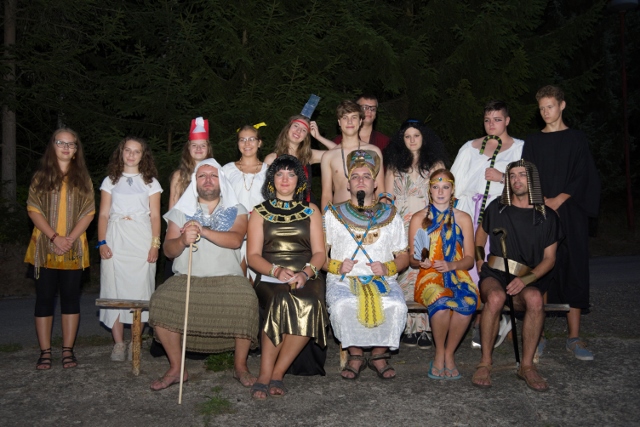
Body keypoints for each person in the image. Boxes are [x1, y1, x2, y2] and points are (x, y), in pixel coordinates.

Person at [148, 158, 259, 391]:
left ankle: (240, 366)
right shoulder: (180, 211)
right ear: (195, 182)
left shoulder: (237, 209)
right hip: (187, 277)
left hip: (228, 278)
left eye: (213, 176)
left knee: (247, 300)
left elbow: (235, 240)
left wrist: (203, 231)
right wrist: (182, 240)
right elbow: (168, 251)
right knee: (160, 300)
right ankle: (177, 368)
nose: (208, 180)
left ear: (221, 181)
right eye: (202, 176)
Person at [522, 85, 600, 361]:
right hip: (541, 213)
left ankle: (574, 337)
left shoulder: (577, 139)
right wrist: (542, 201)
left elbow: (583, 174)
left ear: (562, 105)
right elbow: (528, 174)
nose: (546, 112)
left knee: (575, 269)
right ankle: (539, 335)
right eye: (542, 108)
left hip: (571, 212)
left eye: (550, 107)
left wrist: (560, 199)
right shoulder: (533, 141)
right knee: (541, 271)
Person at [472, 160, 561, 392]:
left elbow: (550, 259)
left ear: (532, 179)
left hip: (527, 277)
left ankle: (527, 366)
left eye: (522, 175)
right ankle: (485, 363)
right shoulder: (497, 207)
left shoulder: (547, 216)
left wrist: (526, 280)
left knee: (535, 300)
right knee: (495, 298)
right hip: (495, 273)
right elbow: (479, 237)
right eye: (512, 176)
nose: (516, 180)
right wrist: (480, 261)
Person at [246, 155, 328, 399]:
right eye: (279, 174)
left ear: (299, 181)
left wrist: (305, 273)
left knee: (310, 302)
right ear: (272, 179)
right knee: (281, 299)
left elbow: (320, 253)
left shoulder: (311, 210)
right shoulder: (259, 212)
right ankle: (264, 374)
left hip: (306, 273)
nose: (285, 179)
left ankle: (278, 373)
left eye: (291, 174)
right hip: (269, 274)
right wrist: (276, 271)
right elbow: (252, 256)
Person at [323, 150, 408, 380]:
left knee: (396, 305)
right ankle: (356, 355)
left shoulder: (391, 214)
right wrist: (336, 266)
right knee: (343, 305)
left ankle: (379, 355)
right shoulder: (333, 214)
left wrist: (388, 268)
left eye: (366, 176)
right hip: (343, 280)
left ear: (375, 184)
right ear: (348, 184)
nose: (361, 180)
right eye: (355, 176)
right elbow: (319, 256)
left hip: (383, 278)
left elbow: (404, 256)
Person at [450, 100, 524, 349]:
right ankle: (476, 315)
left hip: (504, 214)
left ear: (507, 121)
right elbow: (454, 183)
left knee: (497, 263)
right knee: (471, 263)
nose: (492, 124)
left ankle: (496, 316)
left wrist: (503, 178)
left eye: (497, 119)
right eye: (487, 120)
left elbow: (527, 183)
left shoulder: (520, 148)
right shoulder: (470, 148)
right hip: (471, 211)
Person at [25, 128, 95, 370]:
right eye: (61, 142)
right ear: (52, 146)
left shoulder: (83, 179)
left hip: (74, 249)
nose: (66, 147)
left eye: (71, 144)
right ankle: (45, 352)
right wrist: (55, 238)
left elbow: (89, 212)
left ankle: (68, 350)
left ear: (76, 150)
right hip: (45, 247)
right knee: (44, 299)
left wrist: (69, 239)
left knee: (70, 299)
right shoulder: (40, 177)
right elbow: (33, 209)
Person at [383, 120, 447, 349]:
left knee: (425, 268)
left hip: (426, 220)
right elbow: (387, 197)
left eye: (416, 135)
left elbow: (443, 193)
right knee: (404, 273)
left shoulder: (435, 163)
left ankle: (425, 328)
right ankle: (408, 326)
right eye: (407, 136)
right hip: (400, 222)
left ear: (424, 137)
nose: (412, 140)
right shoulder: (394, 164)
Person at [98, 137, 162, 361]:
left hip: (141, 239)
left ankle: (135, 340)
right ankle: (118, 343)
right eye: (128, 150)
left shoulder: (151, 182)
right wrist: (102, 242)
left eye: (137, 151)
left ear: (143, 155)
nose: (131, 155)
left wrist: (155, 245)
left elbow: (155, 216)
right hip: (115, 238)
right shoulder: (110, 181)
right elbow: (103, 214)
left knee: (141, 290)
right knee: (112, 289)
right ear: (121, 152)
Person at [409, 169, 477, 379]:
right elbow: (412, 259)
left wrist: (451, 265)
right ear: (429, 190)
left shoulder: (463, 218)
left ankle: (450, 353)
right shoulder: (419, 218)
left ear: (452, 190)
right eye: (436, 187)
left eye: (445, 187)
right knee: (441, 299)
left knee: (468, 301)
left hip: (457, 274)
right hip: (429, 276)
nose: (440, 192)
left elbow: (470, 259)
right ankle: (439, 352)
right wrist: (421, 261)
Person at [320, 100, 385, 210]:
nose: (349, 122)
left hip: (369, 215)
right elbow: (326, 195)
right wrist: (325, 219)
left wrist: (383, 216)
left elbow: (380, 190)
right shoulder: (328, 156)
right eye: (345, 118)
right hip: (339, 215)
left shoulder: (373, 151)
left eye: (354, 117)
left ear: (360, 121)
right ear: (339, 122)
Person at [222, 124, 268, 277]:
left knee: (258, 277)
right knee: (236, 276)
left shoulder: (269, 171)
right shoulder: (227, 170)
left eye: (251, 139)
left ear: (259, 143)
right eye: (242, 140)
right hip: (233, 229)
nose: (247, 143)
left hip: (260, 230)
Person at [264, 115, 335, 204]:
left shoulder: (309, 155)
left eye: (304, 130)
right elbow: (264, 189)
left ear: (306, 136)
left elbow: (339, 153)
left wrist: (318, 137)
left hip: (305, 206)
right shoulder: (271, 158)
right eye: (296, 126)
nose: (298, 131)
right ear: (288, 129)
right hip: (279, 206)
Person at [168, 117, 213, 209]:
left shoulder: (216, 173)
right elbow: (173, 208)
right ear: (188, 148)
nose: (198, 148)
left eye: (203, 145)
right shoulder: (179, 176)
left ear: (208, 148)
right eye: (194, 145)